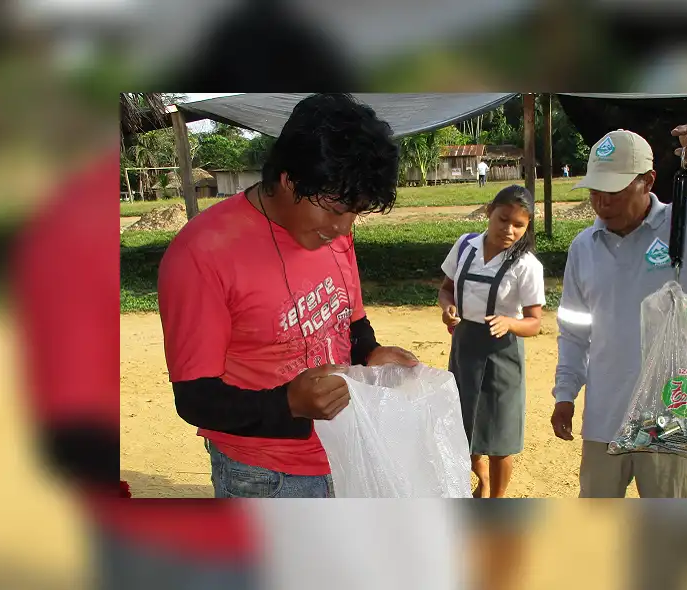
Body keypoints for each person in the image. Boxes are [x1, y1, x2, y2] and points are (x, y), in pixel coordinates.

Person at [157, 93, 419, 499]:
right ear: (289, 180)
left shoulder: (333, 231)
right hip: (265, 476)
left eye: (356, 211)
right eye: (335, 210)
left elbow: (350, 320)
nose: (344, 227)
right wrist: (289, 405)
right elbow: (195, 398)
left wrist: (370, 353)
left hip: (346, 450)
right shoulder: (203, 253)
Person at [550, 126, 687, 498]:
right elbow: (574, 331)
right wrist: (565, 393)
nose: (603, 203)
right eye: (595, 191)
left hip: (672, 415)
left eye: (615, 190)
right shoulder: (583, 248)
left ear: (648, 180)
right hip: (605, 418)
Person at [439, 185, 546, 498]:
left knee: (500, 440)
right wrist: (448, 308)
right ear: (489, 212)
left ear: (527, 226)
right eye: (503, 219)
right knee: (463, 432)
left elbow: (535, 322)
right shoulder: (465, 246)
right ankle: (482, 480)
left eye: (519, 225)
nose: (509, 230)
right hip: (465, 349)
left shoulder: (527, 265)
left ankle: (496, 501)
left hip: (503, 355)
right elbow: (446, 289)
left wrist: (510, 323)